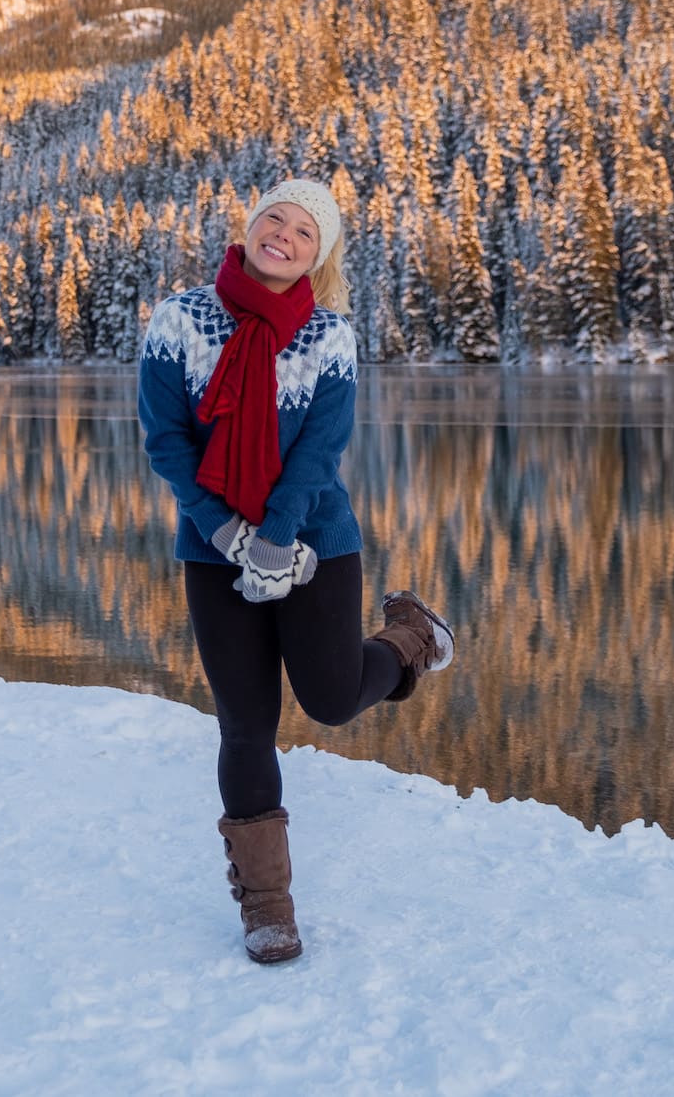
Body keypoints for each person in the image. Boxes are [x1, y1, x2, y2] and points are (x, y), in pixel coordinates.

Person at [137, 177, 455, 964]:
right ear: (248, 228)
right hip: (211, 548)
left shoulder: (329, 335)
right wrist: (224, 531)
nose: (283, 235)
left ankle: (409, 637)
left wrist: (275, 537)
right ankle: (267, 907)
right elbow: (165, 439)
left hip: (314, 537)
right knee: (245, 723)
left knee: (331, 698)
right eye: (273, 219)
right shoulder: (181, 319)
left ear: (319, 256)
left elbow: (319, 450)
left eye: (303, 232)